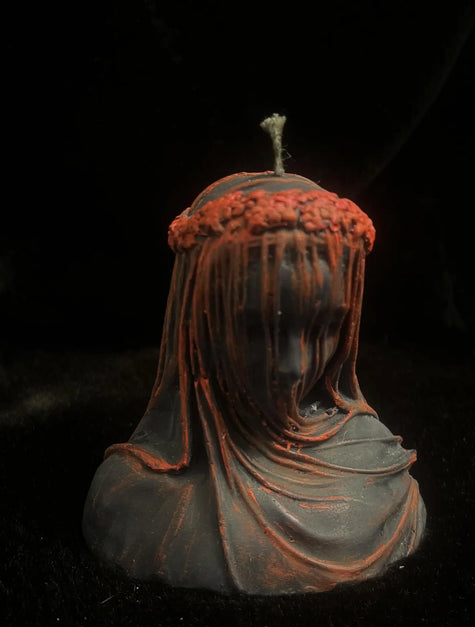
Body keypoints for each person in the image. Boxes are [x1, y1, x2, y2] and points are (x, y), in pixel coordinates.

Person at [83, 171, 426, 595]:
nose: (294, 366)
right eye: (256, 329)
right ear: (195, 324)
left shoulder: (379, 466)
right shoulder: (135, 501)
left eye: (323, 326)